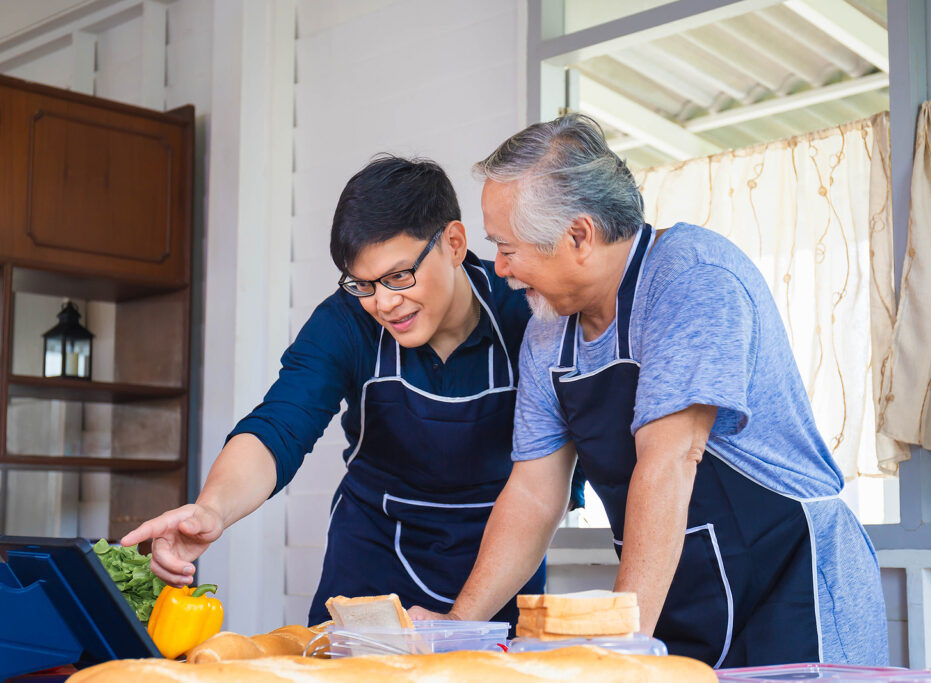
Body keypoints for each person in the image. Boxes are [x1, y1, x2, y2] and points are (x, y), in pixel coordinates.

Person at [409, 114, 889, 668]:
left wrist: (622, 646)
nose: (501, 268)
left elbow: (670, 460)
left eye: (509, 248)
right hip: (679, 595)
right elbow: (535, 493)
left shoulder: (692, 280)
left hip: (792, 585)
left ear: (579, 236)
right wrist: (458, 625)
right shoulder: (547, 328)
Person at [121, 155, 545, 626]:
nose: (384, 303)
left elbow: (553, 475)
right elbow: (280, 425)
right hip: (374, 561)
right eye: (363, 284)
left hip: (502, 562)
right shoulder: (344, 321)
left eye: (399, 276)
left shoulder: (526, 313)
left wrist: (465, 620)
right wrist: (212, 510)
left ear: (454, 243)